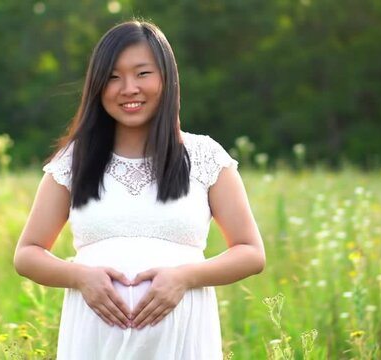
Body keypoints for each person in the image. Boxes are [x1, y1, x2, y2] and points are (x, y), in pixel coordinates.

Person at [13, 20, 265, 360]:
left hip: (182, 341)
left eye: (142, 73)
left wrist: (184, 278)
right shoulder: (75, 160)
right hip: (94, 342)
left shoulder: (204, 156)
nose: (128, 88)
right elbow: (27, 253)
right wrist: (81, 277)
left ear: (167, 79)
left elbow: (251, 252)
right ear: (98, 87)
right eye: (113, 77)